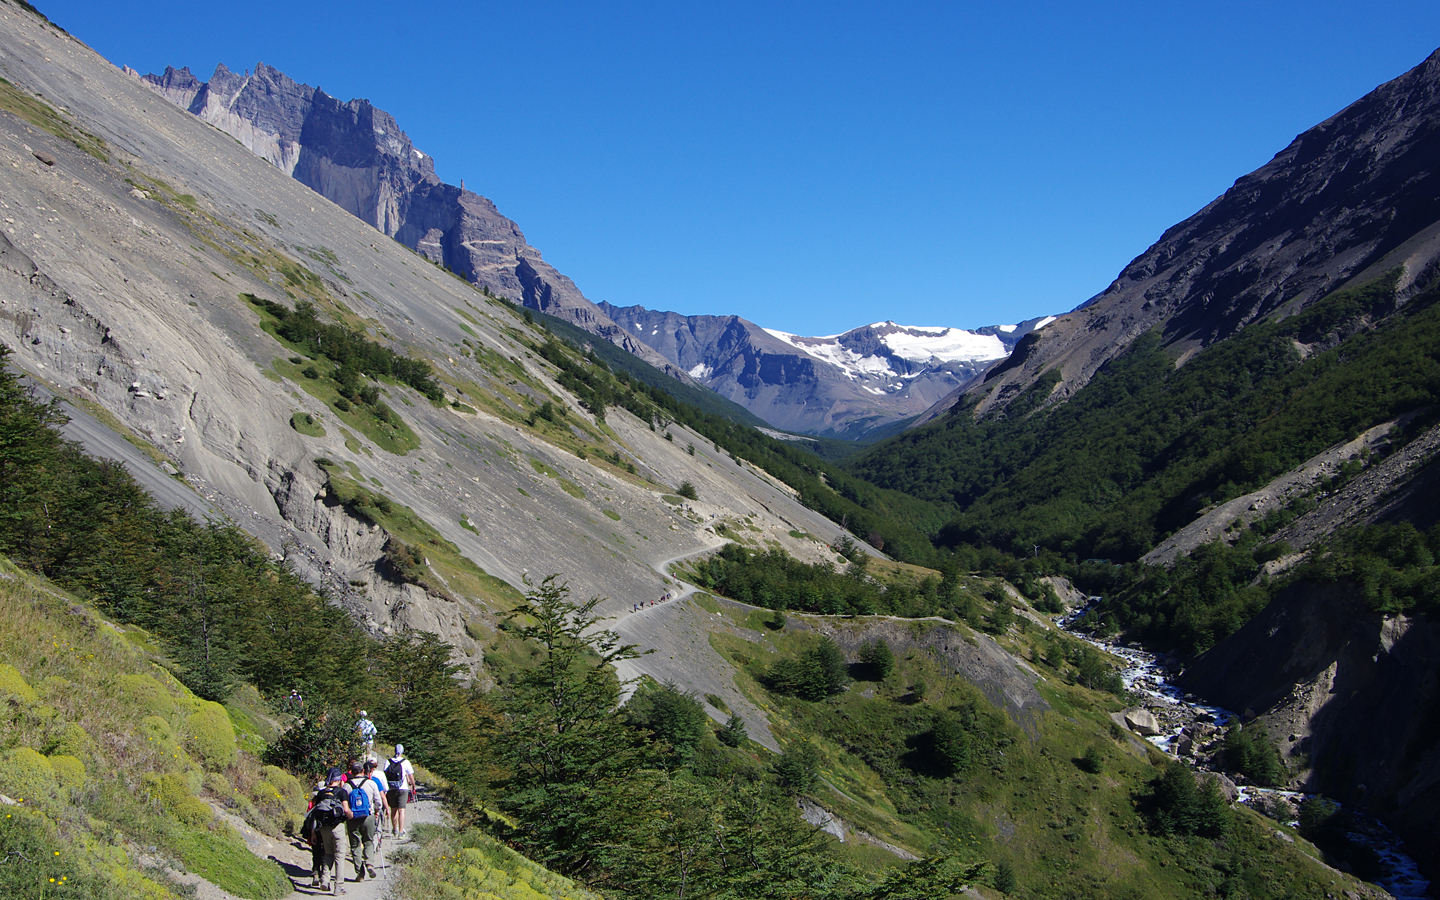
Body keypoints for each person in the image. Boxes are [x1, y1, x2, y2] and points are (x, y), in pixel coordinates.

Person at [308, 768, 352, 890]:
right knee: (339, 856)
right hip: (337, 827)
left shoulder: (321, 793)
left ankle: (325, 880)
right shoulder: (342, 792)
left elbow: (315, 814)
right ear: (338, 780)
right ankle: (338, 886)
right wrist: (351, 816)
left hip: (324, 829)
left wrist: (313, 832)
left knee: (328, 854)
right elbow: (346, 810)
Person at [346, 761, 381, 881]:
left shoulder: (347, 785)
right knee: (368, 841)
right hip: (368, 816)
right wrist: (376, 811)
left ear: (352, 772)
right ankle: (370, 863)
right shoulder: (371, 783)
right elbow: (378, 802)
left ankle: (360, 874)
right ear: (363, 771)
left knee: (355, 845)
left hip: (353, 818)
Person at [384, 744, 416, 838]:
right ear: (402, 752)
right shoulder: (406, 762)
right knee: (402, 810)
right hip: (402, 788)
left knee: (393, 809)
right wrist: (413, 786)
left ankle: (395, 830)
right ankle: (401, 832)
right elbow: (411, 776)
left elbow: (385, 775)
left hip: (391, 788)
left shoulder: (388, 761)